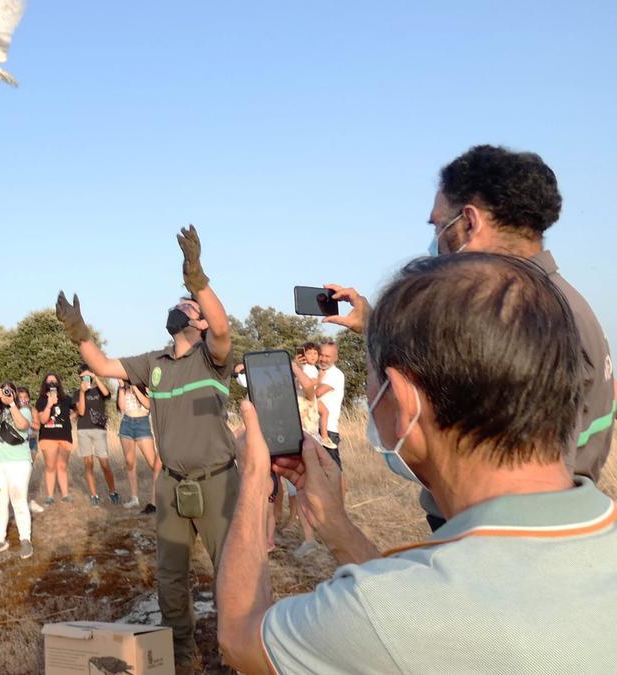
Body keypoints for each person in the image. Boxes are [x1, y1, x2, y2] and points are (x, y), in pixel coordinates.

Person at [218, 253, 617, 673]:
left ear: (404, 404)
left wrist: (253, 483)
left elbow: (241, 638)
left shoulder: (390, 613)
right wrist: (335, 525)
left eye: (375, 379)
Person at [329, 144, 615, 531]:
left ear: (468, 222)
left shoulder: (528, 317)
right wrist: (375, 326)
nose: (434, 241)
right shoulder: (553, 303)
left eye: (436, 225)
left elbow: (529, 485)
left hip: (507, 542)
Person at [57, 226, 239, 674]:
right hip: (171, 482)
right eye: (181, 302)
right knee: (171, 579)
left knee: (231, 574)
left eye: (188, 306)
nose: (181, 306)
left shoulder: (213, 356)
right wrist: (78, 331)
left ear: (196, 321)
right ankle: (181, 656)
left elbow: (221, 324)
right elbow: (100, 365)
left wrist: (196, 277)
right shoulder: (152, 364)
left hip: (217, 480)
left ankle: (239, 654)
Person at [0, 383, 35, 559]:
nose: (6, 394)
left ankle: (25, 540)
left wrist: (11, 404)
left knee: (19, 500)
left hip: (18, 461)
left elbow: (22, 426)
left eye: (10, 391)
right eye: (3, 391)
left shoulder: (23, 409)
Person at [75, 366, 120, 507]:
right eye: (83, 377)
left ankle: (113, 492)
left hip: (99, 430)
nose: (85, 379)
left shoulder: (98, 390)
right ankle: (94, 496)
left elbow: (107, 394)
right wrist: (82, 392)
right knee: (88, 464)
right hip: (83, 430)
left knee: (105, 464)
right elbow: (81, 411)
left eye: (87, 376)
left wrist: (95, 377)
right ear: (79, 378)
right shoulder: (77, 393)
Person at [116, 380, 160, 514]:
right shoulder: (123, 388)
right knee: (129, 462)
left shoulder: (145, 387)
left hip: (142, 424)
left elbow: (148, 405)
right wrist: (122, 387)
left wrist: (135, 387)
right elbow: (122, 407)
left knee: (154, 464)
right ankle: (134, 498)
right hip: (126, 424)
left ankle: (158, 499)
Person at [35, 373, 75, 504]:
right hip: (48, 437)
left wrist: (72, 417)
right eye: (49, 382)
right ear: (45, 385)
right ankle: (50, 496)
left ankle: (65, 495)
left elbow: (79, 410)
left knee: (62, 466)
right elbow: (43, 419)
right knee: (50, 466)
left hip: (65, 436)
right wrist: (49, 404)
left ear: (59, 383)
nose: (52, 384)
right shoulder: (41, 400)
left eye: (54, 381)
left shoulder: (66, 399)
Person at [16, 387, 45, 514]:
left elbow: (38, 426)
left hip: (31, 443)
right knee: (18, 474)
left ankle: (28, 501)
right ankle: (22, 501)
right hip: (19, 444)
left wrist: (27, 422)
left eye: (25, 397)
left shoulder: (32, 410)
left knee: (27, 473)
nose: (23, 399)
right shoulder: (14, 410)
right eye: (20, 397)